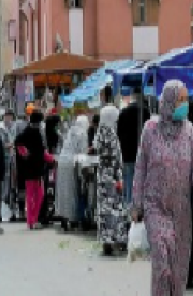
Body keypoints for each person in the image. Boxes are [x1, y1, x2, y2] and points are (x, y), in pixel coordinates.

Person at [132, 80, 193, 296]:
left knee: (178, 272)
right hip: (155, 207)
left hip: (181, 212)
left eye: (186, 99)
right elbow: (140, 168)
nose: (185, 104)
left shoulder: (190, 132)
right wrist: (136, 204)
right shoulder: (150, 130)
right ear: (168, 100)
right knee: (162, 263)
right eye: (181, 99)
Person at [92, 98, 127, 256]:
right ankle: (117, 239)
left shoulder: (99, 132)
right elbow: (115, 157)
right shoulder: (111, 134)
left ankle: (106, 241)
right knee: (115, 209)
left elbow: (98, 152)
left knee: (104, 210)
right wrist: (118, 177)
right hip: (112, 176)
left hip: (102, 176)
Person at [117, 85, 150, 205]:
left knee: (128, 179)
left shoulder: (123, 113)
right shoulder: (145, 112)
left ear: (132, 96)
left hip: (126, 153)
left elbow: (118, 134)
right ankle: (138, 206)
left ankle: (128, 205)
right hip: (141, 153)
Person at [56, 115, 90, 229]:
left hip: (62, 162)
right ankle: (72, 218)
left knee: (63, 191)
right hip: (71, 163)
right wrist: (85, 170)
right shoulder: (83, 133)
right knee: (72, 192)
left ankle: (63, 218)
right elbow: (83, 154)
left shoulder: (71, 130)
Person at [15, 112, 46, 230]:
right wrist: (25, 154)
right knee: (34, 196)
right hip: (32, 170)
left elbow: (18, 144)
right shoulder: (31, 133)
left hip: (32, 170)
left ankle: (32, 220)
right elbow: (18, 143)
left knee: (34, 195)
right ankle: (32, 220)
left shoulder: (31, 133)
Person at [0, 110, 21, 222]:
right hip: (5, 160)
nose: (7, 119)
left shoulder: (16, 128)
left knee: (13, 185)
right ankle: (6, 202)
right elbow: (1, 144)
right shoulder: (1, 129)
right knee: (5, 184)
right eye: (6, 117)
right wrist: (10, 145)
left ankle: (13, 208)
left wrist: (13, 146)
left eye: (9, 117)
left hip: (15, 161)